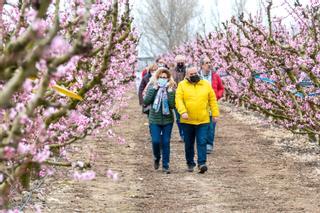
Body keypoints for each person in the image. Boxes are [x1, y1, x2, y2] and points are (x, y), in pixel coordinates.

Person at [175, 65, 219, 174]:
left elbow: (212, 100)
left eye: (195, 73)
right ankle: (190, 163)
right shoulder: (181, 85)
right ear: (187, 75)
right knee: (189, 143)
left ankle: (201, 163)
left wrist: (215, 114)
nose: (194, 75)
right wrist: (183, 112)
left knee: (202, 141)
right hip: (187, 121)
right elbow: (178, 100)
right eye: (191, 74)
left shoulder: (205, 84)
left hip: (203, 119)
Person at [143, 67, 176, 174]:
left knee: (166, 142)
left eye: (165, 78)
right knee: (156, 141)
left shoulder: (171, 88)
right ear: (157, 77)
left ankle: (166, 165)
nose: (163, 79)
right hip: (154, 119)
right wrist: (154, 89)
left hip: (168, 120)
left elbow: (172, 105)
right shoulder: (152, 86)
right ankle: (157, 157)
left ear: (168, 79)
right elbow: (146, 101)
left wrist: (170, 92)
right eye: (161, 77)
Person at [199, 56, 224, 154]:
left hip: (212, 104)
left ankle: (209, 144)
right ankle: (202, 143)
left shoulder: (215, 76)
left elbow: (221, 88)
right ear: (201, 65)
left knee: (212, 125)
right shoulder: (197, 76)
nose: (209, 64)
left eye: (210, 62)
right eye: (206, 63)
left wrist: (217, 96)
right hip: (200, 104)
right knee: (202, 125)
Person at [171, 55, 187, 142]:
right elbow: (170, 83)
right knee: (178, 118)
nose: (180, 64)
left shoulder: (188, 71)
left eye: (182, 62)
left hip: (187, 97)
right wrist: (175, 90)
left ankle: (186, 133)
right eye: (178, 62)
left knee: (186, 116)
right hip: (176, 97)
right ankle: (182, 134)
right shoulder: (172, 72)